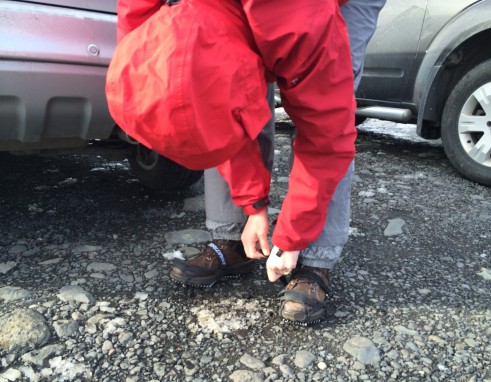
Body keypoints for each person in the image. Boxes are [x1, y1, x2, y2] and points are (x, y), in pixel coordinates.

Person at [116, 0, 386, 325]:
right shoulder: (142, 20)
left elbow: (328, 140)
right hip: (244, 15)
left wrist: (292, 235)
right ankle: (234, 239)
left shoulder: (306, 31)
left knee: (329, 112)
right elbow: (212, 106)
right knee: (199, 94)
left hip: (322, 11)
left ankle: (315, 260)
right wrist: (254, 205)